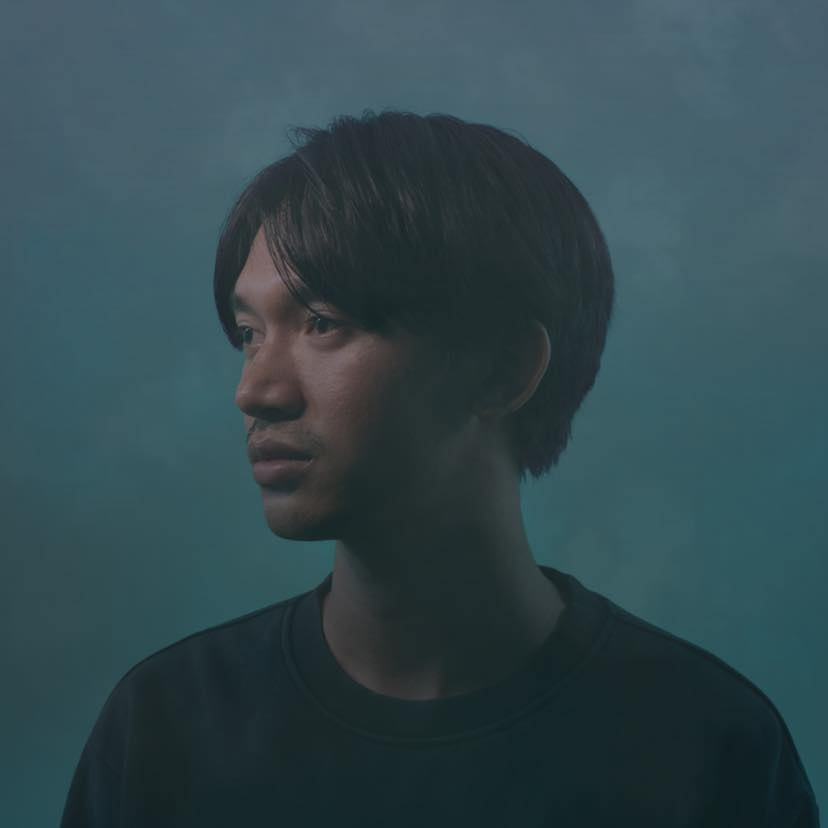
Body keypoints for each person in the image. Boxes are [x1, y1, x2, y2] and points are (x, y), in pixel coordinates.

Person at [60, 109, 819, 827]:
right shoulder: (164, 726)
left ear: (503, 368)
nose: (254, 391)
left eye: (322, 323)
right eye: (249, 333)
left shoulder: (708, 745)